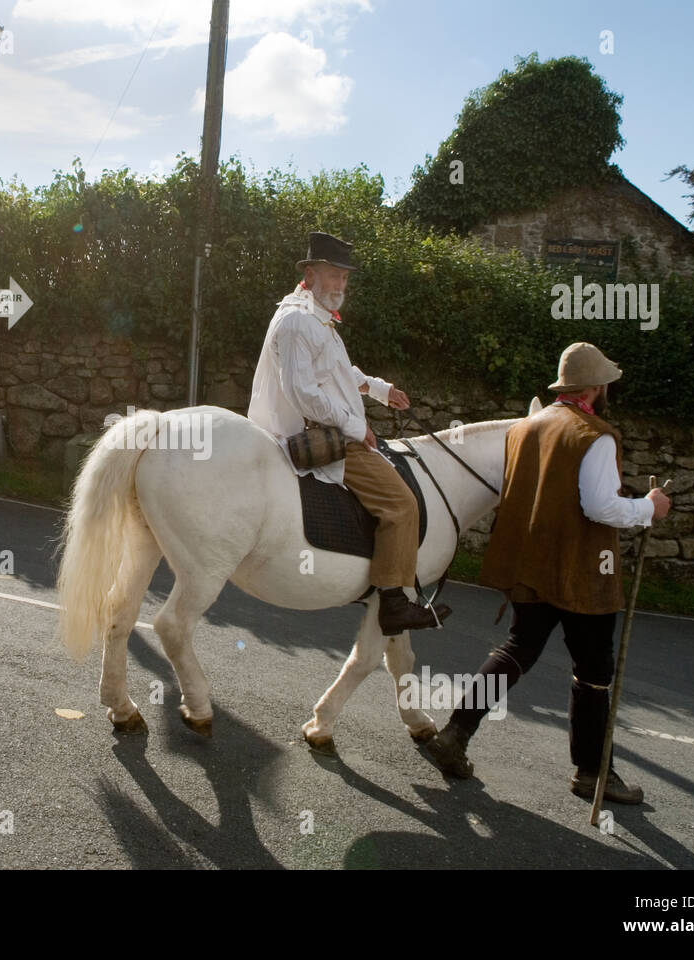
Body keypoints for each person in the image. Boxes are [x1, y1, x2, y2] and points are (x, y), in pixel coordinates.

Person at [425, 342, 671, 804]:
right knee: (594, 670)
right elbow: (599, 507)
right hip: (580, 572)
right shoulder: (594, 435)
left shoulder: (526, 428)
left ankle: (455, 733)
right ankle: (593, 773)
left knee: (519, 648)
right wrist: (648, 509)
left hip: (531, 562)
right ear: (596, 387)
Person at [248, 231, 448, 633]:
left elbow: (337, 373)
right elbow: (303, 393)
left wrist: (378, 389)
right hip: (322, 436)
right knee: (402, 504)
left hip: (333, 426)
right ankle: (393, 600)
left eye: (344, 277)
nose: (341, 284)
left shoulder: (313, 316)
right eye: (334, 275)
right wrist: (358, 427)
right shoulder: (298, 321)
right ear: (310, 273)